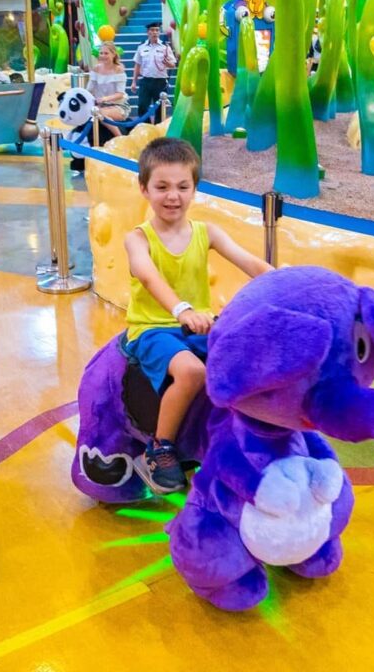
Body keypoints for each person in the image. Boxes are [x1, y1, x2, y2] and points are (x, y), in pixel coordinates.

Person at [124, 138, 273, 493]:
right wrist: (182, 310)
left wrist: (288, 285)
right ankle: (159, 448)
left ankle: (243, 435)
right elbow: (148, 276)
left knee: (247, 357)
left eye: (182, 186)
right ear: (144, 188)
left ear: (195, 189)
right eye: (162, 187)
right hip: (153, 329)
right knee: (192, 372)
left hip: (198, 325)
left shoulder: (207, 233)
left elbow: (251, 263)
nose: (172, 196)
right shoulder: (138, 239)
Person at [130, 22, 176, 124]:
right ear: (148, 32)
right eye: (152, 30)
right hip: (146, 81)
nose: (155, 32)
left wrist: (169, 64)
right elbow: (137, 65)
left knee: (160, 108)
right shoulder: (141, 46)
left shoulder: (165, 46)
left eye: (157, 30)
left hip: (160, 81)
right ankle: (146, 126)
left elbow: (173, 64)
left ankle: (158, 127)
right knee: (142, 106)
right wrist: (134, 81)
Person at [87, 40, 130, 140]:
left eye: (106, 53)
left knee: (100, 113)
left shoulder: (118, 69)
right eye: (101, 53)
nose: (103, 56)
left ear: (113, 54)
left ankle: (120, 138)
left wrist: (105, 99)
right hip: (99, 106)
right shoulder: (96, 69)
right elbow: (89, 89)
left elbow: (120, 94)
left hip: (118, 106)